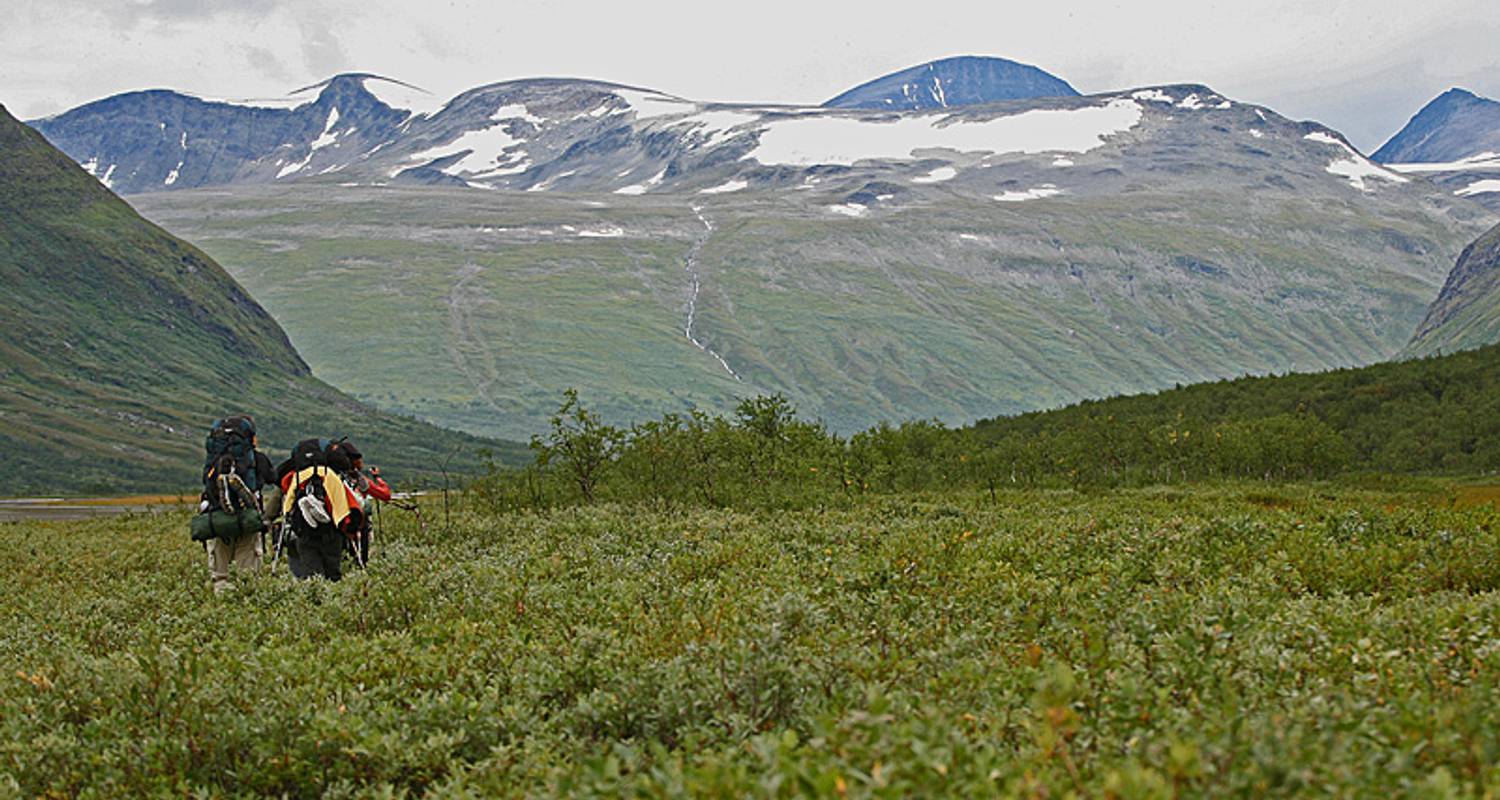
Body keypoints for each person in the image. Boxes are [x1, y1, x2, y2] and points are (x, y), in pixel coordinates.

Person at [280, 438, 363, 582]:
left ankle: (313, 598)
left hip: (305, 532)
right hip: (329, 533)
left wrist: (289, 521)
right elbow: (340, 505)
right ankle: (331, 598)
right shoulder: (329, 475)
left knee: (311, 573)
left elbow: (287, 506)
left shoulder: (298, 476)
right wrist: (346, 526)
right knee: (332, 573)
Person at [330, 440, 391, 565]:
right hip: (357, 527)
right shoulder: (359, 480)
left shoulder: (330, 477)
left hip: (334, 527)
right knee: (359, 560)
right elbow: (385, 495)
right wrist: (378, 478)